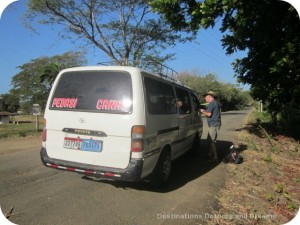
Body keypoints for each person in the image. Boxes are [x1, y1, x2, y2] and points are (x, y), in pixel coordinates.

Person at [200, 91, 221, 162]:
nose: (205, 98)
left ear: (209, 96)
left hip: (213, 124)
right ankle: (209, 154)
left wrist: (202, 111)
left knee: (212, 141)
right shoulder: (216, 102)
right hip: (216, 123)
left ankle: (215, 157)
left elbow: (209, 114)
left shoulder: (211, 103)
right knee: (210, 139)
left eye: (205, 97)